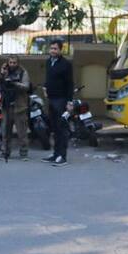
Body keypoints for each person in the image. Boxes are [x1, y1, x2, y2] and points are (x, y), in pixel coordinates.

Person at [0, 55, 31, 160]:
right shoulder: (4, 71)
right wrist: (1, 73)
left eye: (14, 62)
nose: (12, 64)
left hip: (19, 106)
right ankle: (5, 152)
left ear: (18, 63)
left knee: (22, 131)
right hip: (6, 105)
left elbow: (26, 86)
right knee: (5, 131)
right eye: (10, 62)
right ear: (7, 62)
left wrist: (14, 83)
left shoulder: (23, 72)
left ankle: (23, 153)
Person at [42, 39, 73, 167]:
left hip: (61, 100)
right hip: (51, 99)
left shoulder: (66, 64)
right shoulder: (49, 62)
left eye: (55, 49)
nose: (53, 51)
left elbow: (70, 84)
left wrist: (69, 102)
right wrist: (45, 87)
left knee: (62, 129)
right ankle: (55, 154)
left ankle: (62, 156)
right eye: (51, 48)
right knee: (54, 128)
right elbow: (49, 78)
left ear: (60, 50)